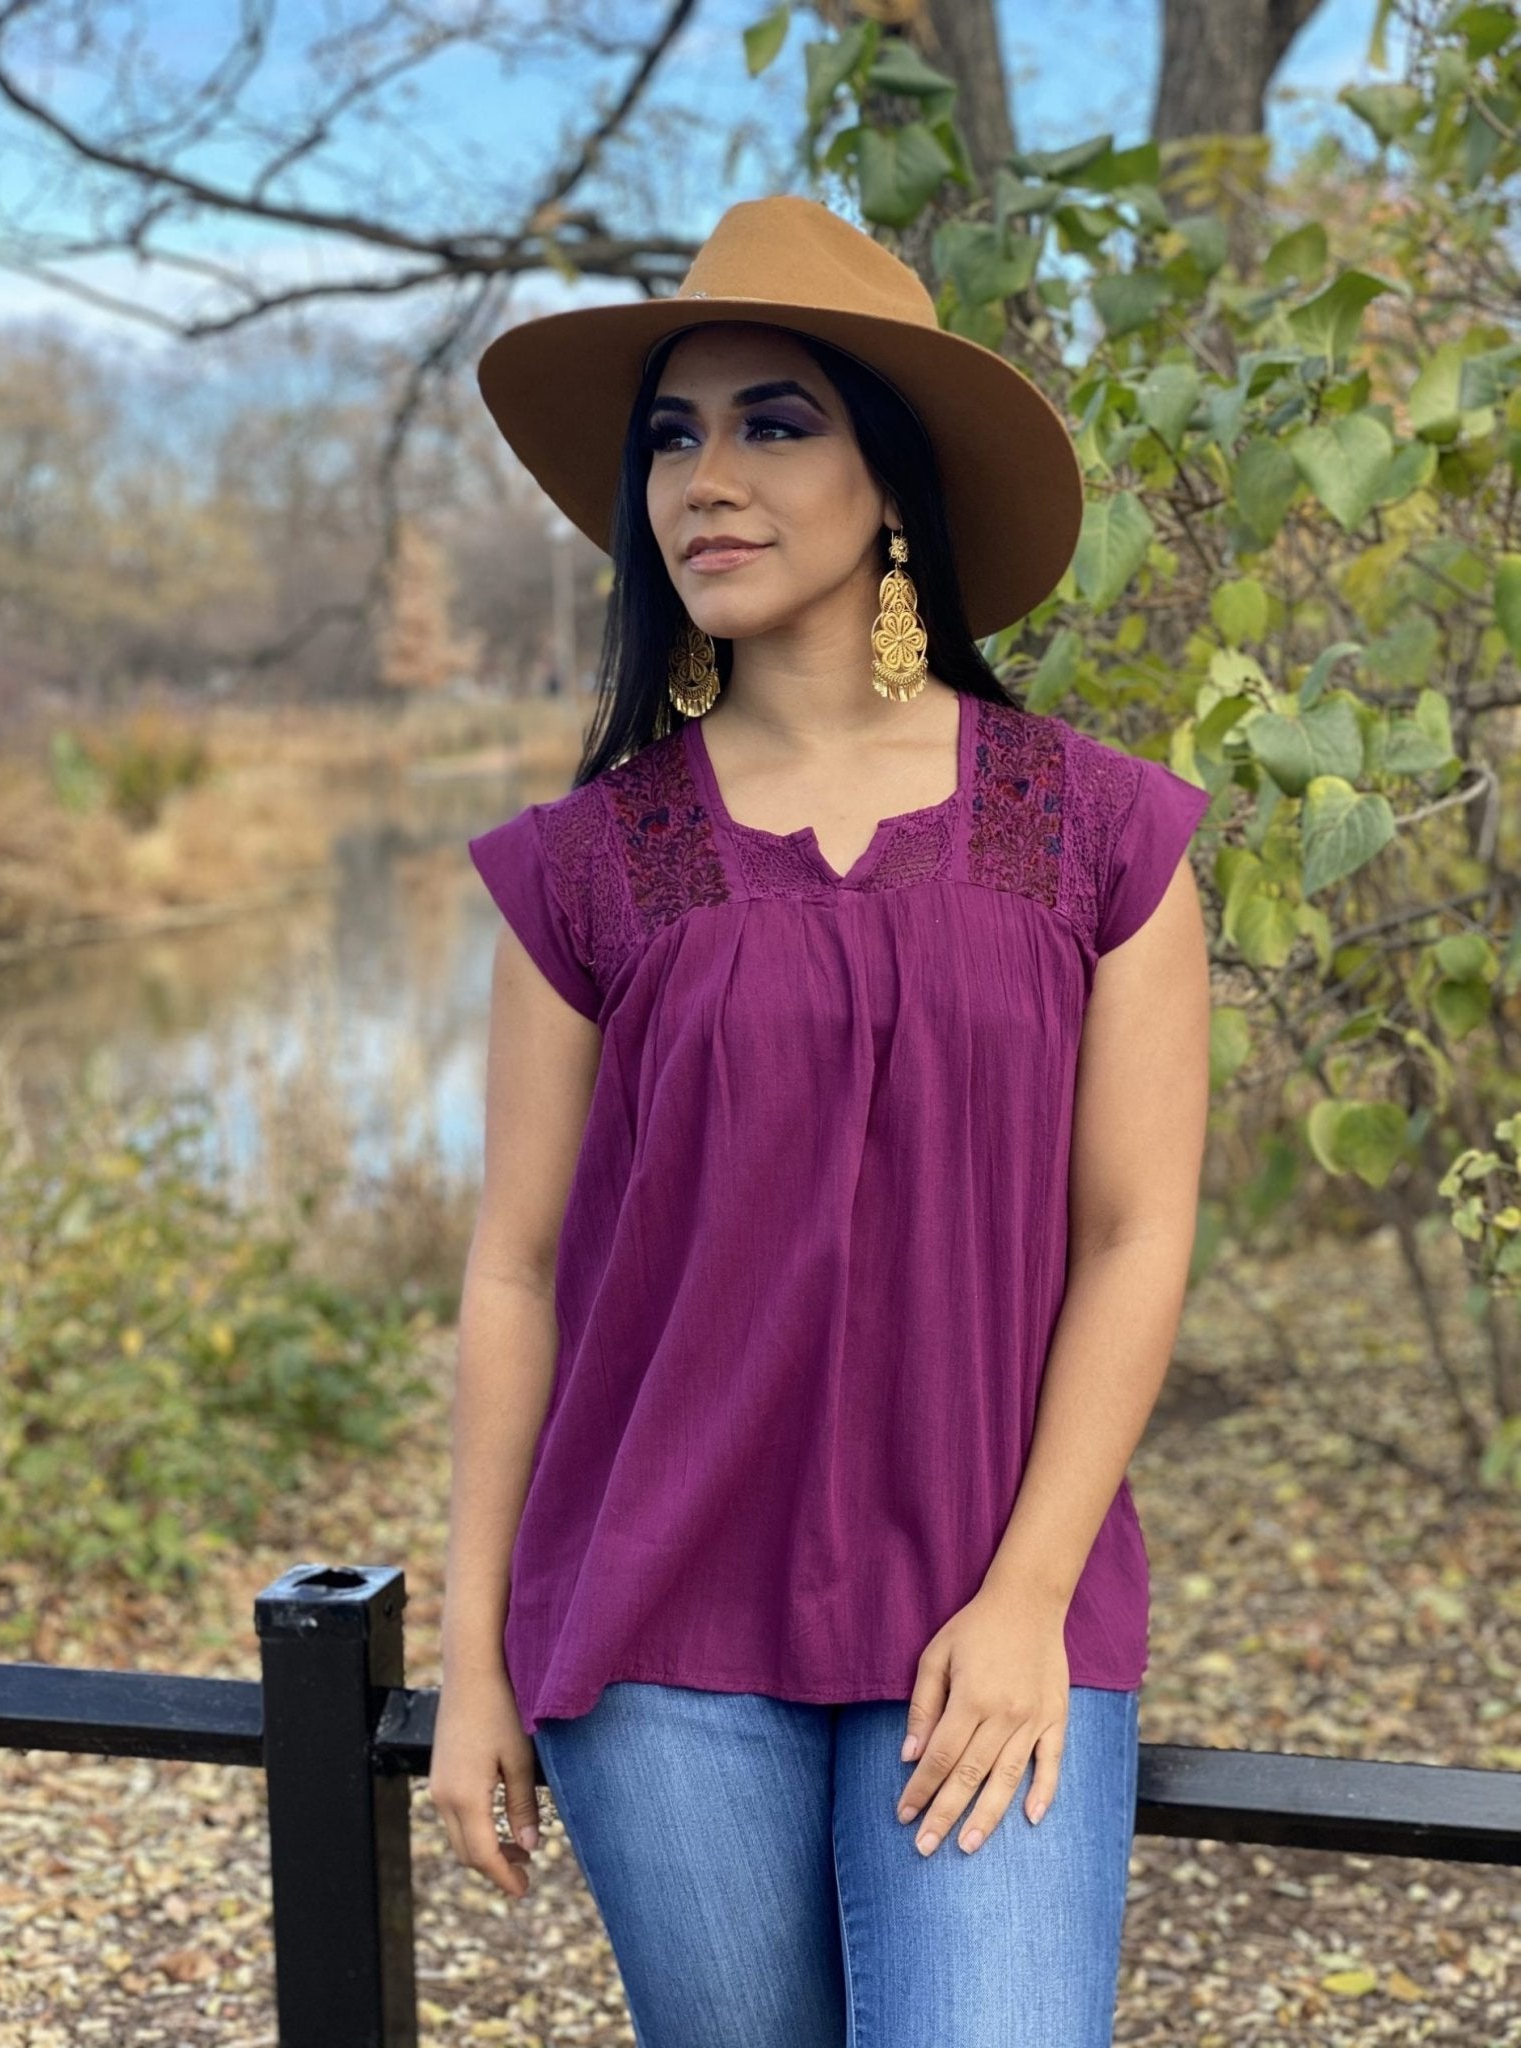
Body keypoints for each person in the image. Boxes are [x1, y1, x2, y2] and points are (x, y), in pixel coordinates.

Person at [431, 193, 1211, 2048]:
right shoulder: (588, 866)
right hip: (659, 1630)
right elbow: (518, 1271)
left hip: (994, 1603)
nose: (707, 474)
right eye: (673, 436)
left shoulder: (1102, 833)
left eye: (774, 422)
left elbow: (1138, 1234)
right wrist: (471, 1659)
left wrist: (1030, 1597)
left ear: (896, 482)